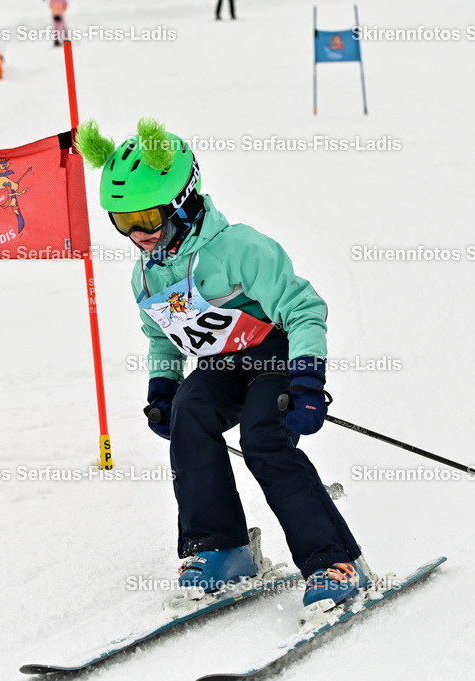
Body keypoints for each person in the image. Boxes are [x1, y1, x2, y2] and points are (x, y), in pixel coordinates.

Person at [75, 118, 370, 617]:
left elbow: (304, 308)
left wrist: (308, 381)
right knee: (191, 411)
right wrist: (162, 391)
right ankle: (222, 549)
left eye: (147, 217)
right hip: (223, 367)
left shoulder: (238, 248)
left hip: (276, 360)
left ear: (184, 200)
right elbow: (160, 338)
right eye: (123, 221)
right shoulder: (146, 276)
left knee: (263, 437)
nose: (139, 234)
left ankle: (334, 562)